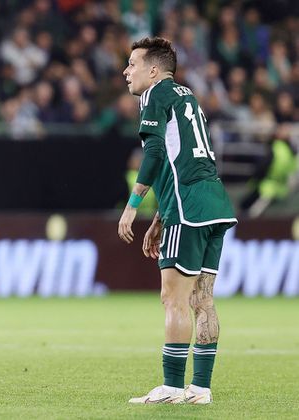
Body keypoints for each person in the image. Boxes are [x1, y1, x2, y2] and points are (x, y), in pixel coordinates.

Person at [117, 37, 237, 404]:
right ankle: (200, 389)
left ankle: (171, 387)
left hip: (188, 207)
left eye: (132, 64)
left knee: (174, 299)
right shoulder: (188, 97)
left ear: (153, 70)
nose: (126, 71)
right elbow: (181, 159)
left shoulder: (154, 95)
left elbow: (155, 153)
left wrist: (133, 205)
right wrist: (160, 217)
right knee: (203, 300)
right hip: (214, 203)